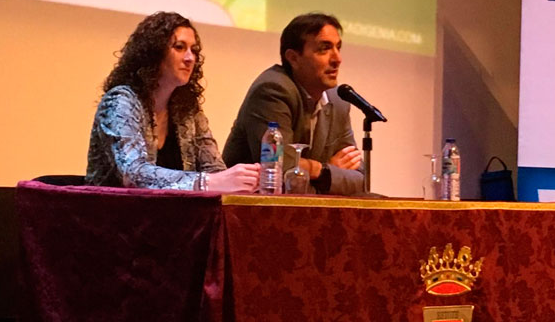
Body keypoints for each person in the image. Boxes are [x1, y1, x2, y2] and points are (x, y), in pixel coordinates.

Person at [86, 12, 259, 191]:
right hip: (113, 207)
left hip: (173, 208)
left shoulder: (187, 108)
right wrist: (206, 182)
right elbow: (134, 174)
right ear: (154, 53)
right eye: (179, 47)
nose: (190, 58)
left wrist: (243, 181)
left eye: (194, 50)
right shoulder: (120, 102)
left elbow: (214, 169)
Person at [222, 13, 363, 195]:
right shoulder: (273, 90)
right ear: (293, 58)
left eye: (338, 48)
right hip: (251, 205)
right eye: (324, 49)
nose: (337, 59)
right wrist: (326, 170)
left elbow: (360, 179)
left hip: (309, 206)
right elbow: (279, 174)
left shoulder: (338, 100)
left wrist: (318, 171)